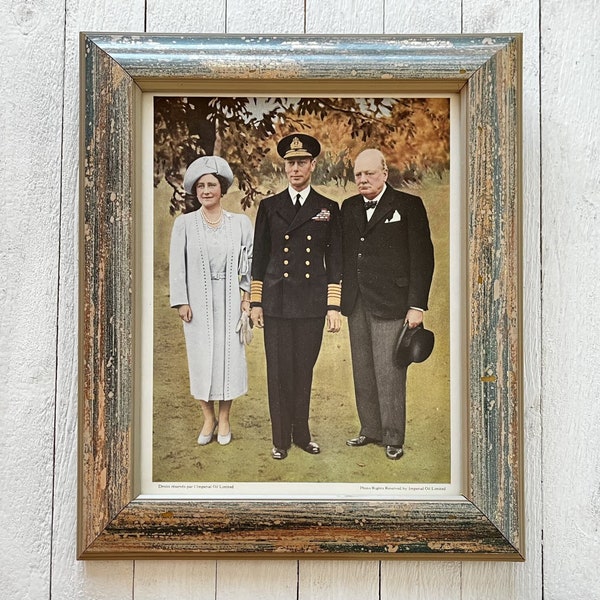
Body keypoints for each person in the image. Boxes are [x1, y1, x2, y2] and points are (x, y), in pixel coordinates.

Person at [250, 133, 343, 460]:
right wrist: (255, 302)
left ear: (313, 165)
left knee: (304, 369)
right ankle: (280, 440)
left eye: (302, 162)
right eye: (290, 162)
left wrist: (333, 305)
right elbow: (259, 256)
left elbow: (336, 260)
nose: (295, 168)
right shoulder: (269, 206)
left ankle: (301, 434)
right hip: (276, 302)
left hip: (311, 304)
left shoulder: (328, 208)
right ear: (284, 165)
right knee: (278, 371)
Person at [340, 148, 434, 460]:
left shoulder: (408, 205)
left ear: (384, 173)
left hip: (393, 303)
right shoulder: (349, 206)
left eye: (368, 173)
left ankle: (393, 437)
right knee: (363, 368)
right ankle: (370, 429)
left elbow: (422, 258)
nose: (362, 179)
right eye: (357, 175)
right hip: (357, 302)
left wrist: (416, 306)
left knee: (390, 370)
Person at [170, 155, 253, 446]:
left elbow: (249, 264)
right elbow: (177, 266)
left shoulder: (240, 223)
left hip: (230, 301)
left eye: (212, 185)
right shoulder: (185, 224)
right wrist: (181, 301)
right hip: (197, 304)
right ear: (195, 191)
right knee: (202, 358)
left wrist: (247, 299)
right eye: (201, 186)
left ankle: (225, 418)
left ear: (222, 189)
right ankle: (208, 417)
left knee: (229, 358)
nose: (206, 191)